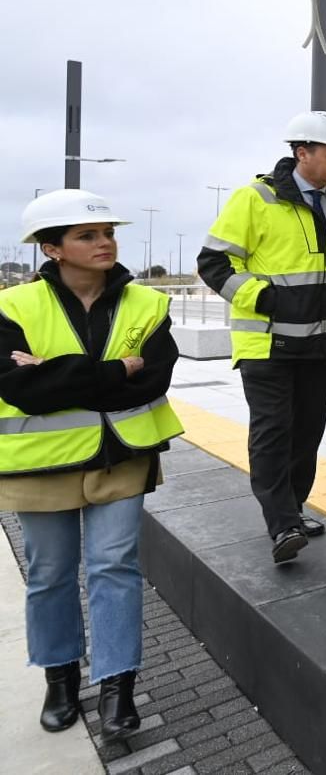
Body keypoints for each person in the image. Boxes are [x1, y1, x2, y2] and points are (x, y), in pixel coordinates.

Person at [0, 190, 184, 740]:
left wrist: (58, 372)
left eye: (107, 232)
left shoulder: (147, 305)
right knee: (51, 575)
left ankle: (116, 686)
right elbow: (18, 388)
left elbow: (153, 377)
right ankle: (60, 678)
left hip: (122, 457)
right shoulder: (13, 308)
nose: (105, 242)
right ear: (52, 249)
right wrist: (113, 370)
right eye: (87, 235)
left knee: (114, 570)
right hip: (40, 465)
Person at [198, 110, 326, 564]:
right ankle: (282, 523)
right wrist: (262, 298)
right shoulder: (255, 199)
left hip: (320, 342)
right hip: (268, 344)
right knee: (273, 433)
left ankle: (292, 507)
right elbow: (213, 263)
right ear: (302, 152)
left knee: (307, 434)